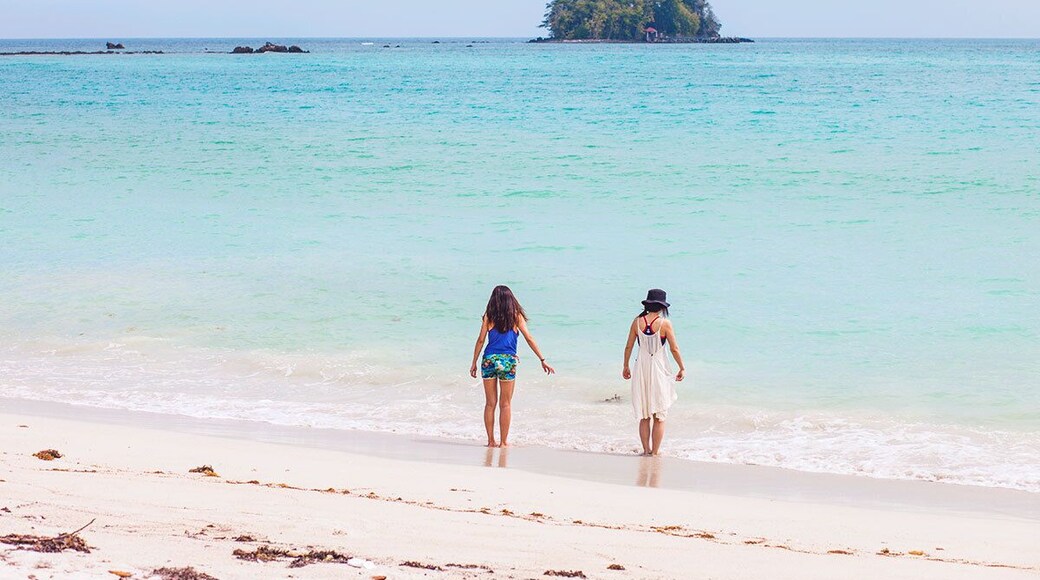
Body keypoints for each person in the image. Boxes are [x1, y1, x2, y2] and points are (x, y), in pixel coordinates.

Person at [470, 285, 555, 447]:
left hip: (488, 360)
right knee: (505, 404)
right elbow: (529, 338)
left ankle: (490, 441)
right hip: (507, 361)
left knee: (490, 403)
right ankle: (503, 442)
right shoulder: (516, 316)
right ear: (511, 300)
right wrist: (542, 359)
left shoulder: (489, 316)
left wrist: (474, 362)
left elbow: (480, 340)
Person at [622, 289, 686, 456]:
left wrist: (625, 366)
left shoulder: (637, 322)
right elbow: (674, 348)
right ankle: (655, 452)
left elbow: (628, 346)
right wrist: (682, 367)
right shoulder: (664, 323)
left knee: (644, 414)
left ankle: (646, 450)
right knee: (659, 414)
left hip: (641, 366)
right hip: (658, 368)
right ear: (662, 306)